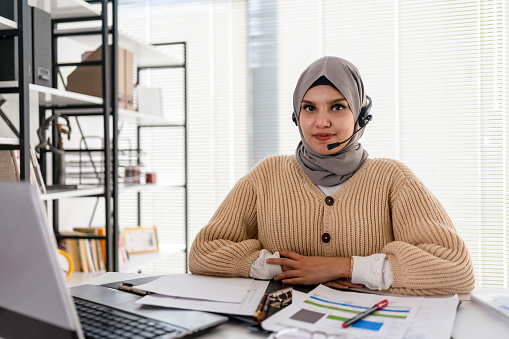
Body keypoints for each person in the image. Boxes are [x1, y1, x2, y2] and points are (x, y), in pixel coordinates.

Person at [189, 56, 475, 295]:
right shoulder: (266, 175)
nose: (321, 122)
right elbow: (203, 253)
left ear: (360, 115)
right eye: (309, 108)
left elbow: (456, 270)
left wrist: (345, 266)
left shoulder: (392, 178)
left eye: (337, 107)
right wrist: (281, 267)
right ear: (296, 116)